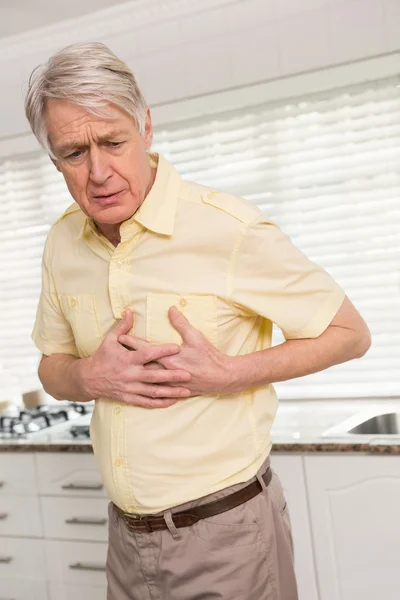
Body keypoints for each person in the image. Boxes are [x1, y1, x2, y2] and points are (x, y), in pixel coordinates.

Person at [25, 42, 371, 600]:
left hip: (226, 537)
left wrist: (230, 373)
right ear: (54, 159)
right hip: (125, 539)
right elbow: (51, 366)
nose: (98, 172)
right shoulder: (62, 241)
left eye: (113, 142)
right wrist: (90, 377)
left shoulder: (227, 229)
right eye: (73, 152)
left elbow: (350, 334)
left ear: (147, 129)